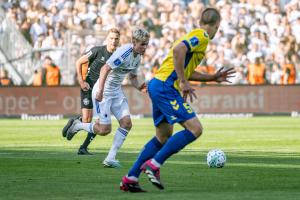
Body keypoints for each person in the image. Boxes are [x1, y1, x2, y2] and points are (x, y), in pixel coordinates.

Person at [120, 7, 235, 192]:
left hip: (158, 84)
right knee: (195, 128)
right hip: (167, 87)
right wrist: (182, 81)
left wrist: (212, 77)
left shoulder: (192, 35)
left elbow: (184, 65)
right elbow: (179, 51)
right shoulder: (203, 36)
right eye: (218, 28)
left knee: (163, 136)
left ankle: (130, 178)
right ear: (217, 25)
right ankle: (154, 164)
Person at [63, 27, 149, 168]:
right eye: (142, 44)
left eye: (146, 44)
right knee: (104, 130)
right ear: (134, 42)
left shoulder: (138, 56)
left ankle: (110, 158)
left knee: (127, 123)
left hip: (116, 92)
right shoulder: (124, 52)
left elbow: (132, 76)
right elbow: (104, 69)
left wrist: (139, 87)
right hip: (102, 90)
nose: (145, 47)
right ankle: (77, 125)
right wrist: (101, 90)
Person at [62, 28, 121, 155]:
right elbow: (79, 62)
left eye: (116, 39)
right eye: (111, 38)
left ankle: (83, 147)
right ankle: (77, 121)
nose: (113, 41)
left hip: (102, 92)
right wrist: (81, 81)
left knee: (100, 122)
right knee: (87, 120)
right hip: (88, 87)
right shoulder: (97, 50)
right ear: (107, 39)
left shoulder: (119, 56)